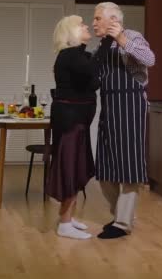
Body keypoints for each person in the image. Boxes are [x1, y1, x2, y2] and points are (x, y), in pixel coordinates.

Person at [91, 2, 155, 239]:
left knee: (129, 165)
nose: (94, 22)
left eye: (98, 18)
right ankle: (120, 215)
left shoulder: (132, 36)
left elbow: (149, 59)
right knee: (106, 167)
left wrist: (122, 39)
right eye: (95, 19)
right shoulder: (102, 44)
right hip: (108, 105)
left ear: (114, 20)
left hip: (130, 105)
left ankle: (123, 223)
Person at [45, 15, 100, 240]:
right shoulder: (69, 55)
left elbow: (93, 81)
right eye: (81, 25)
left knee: (76, 166)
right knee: (70, 168)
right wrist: (106, 44)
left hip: (78, 120)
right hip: (71, 120)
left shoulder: (79, 56)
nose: (86, 26)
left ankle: (66, 217)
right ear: (71, 33)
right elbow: (93, 74)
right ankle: (64, 224)